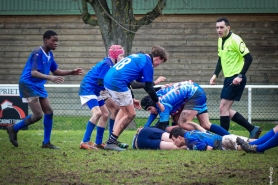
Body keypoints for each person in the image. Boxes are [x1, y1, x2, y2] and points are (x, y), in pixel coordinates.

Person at [6, 30, 84, 149]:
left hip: (38, 85)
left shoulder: (50, 55)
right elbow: (33, 73)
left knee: (49, 112)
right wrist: (50, 78)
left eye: (57, 41)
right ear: (45, 40)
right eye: (53, 40)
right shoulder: (38, 52)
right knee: (38, 115)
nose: (56, 43)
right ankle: (13, 128)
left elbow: (56, 71)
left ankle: (46, 143)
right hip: (28, 84)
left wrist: (71, 72)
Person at [103, 45, 168, 151]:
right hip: (117, 83)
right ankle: (111, 142)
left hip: (110, 80)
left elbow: (134, 82)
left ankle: (112, 140)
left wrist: (132, 98)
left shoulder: (139, 57)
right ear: (157, 58)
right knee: (130, 114)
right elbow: (149, 87)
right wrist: (158, 102)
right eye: (159, 63)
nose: (157, 65)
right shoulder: (147, 63)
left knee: (124, 112)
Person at [209, 17, 261, 139]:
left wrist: (240, 76)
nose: (219, 30)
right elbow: (220, 59)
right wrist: (215, 74)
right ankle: (252, 129)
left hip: (236, 78)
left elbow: (249, 58)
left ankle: (223, 138)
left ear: (228, 27)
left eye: (221, 27)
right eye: (217, 27)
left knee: (223, 107)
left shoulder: (235, 39)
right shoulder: (220, 40)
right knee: (226, 109)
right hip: (228, 79)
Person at [141, 81, 230, 136]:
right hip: (197, 90)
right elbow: (154, 113)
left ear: (153, 104)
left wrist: (148, 130)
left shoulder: (163, 104)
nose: (150, 112)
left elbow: (162, 126)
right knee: (206, 124)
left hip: (194, 95)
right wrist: (145, 127)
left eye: (149, 109)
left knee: (182, 123)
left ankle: (210, 137)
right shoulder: (157, 97)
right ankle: (230, 137)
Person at [78, 45, 124, 150]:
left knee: (105, 114)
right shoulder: (107, 64)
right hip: (88, 89)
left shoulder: (110, 64)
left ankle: (98, 142)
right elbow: (100, 81)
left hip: (95, 91)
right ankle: (84, 141)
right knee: (98, 113)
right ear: (116, 56)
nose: (123, 57)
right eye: (121, 55)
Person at [169, 127, 251, 151]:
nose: (174, 143)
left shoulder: (190, 141)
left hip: (225, 143)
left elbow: (209, 148)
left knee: (248, 146)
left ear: (179, 137)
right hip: (225, 139)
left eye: (173, 140)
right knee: (252, 143)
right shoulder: (191, 133)